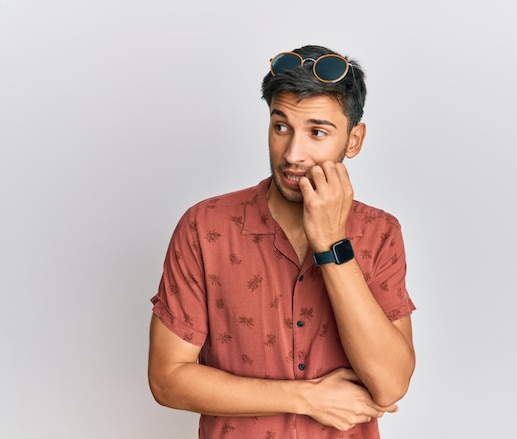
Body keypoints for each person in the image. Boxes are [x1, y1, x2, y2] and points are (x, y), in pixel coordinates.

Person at [148, 44, 416, 439]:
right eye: (281, 127)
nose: (292, 153)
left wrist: (331, 243)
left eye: (317, 133)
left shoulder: (380, 233)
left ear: (353, 140)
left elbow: (391, 384)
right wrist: (307, 398)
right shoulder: (204, 227)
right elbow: (167, 379)